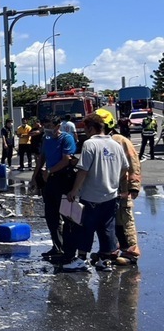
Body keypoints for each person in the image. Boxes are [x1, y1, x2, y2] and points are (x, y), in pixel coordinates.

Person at [63, 113, 128, 272]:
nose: (85, 131)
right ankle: (105, 261)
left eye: (85, 128)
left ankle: (81, 259)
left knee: (85, 227)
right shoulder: (116, 145)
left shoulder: (90, 144)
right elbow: (125, 168)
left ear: (91, 128)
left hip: (91, 195)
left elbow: (83, 170)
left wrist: (74, 190)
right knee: (107, 228)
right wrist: (112, 181)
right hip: (110, 195)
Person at [96, 108, 142, 264]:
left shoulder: (120, 140)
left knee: (125, 219)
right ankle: (112, 249)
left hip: (122, 188)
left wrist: (133, 186)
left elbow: (133, 163)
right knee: (109, 221)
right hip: (105, 188)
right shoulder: (96, 142)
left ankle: (130, 252)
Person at [31, 116, 78, 261]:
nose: (47, 128)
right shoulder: (47, 139)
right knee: (51, 216)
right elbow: (42, 157)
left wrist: (50, 170)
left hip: (63, 179)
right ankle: (57, 246)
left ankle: (70, 250)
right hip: (49, 180)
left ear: (58, 126)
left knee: (66, 215)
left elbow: (66, 160)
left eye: (50, 125)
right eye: (45, 125)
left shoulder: (66, 139)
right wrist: (34, 176)